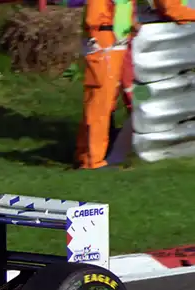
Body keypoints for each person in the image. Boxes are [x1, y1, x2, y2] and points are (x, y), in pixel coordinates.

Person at [74, 0, 139, 170]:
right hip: (105, 44)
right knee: (99, 105)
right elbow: (94, 18)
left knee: (99, 103)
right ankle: (93, 160)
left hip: (111, 42)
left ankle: (85, 155)